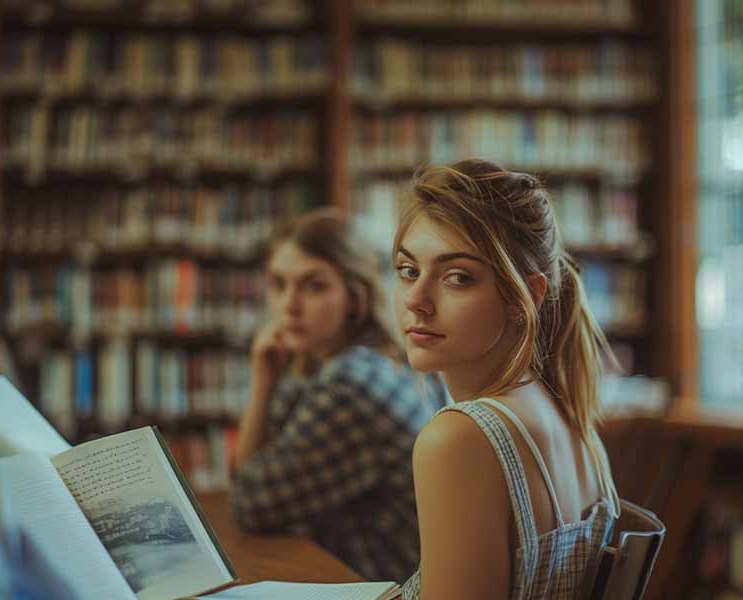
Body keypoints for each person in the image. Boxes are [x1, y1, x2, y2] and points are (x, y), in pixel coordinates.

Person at [392, 159, 621, 599]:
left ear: (526, 297)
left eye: (457, 277)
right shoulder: (566, 411)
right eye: (408, 270)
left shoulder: (458, 438)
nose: (417, 301)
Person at [230, 209, 446, 583]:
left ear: (355, 296)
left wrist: (263, 386)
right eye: (278, 284)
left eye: (314, 286)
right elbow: (250, 473)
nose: (289, 305)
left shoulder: (352, 382)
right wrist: (265, 379)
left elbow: (250, 502)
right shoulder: (336, 360)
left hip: (386, 584)